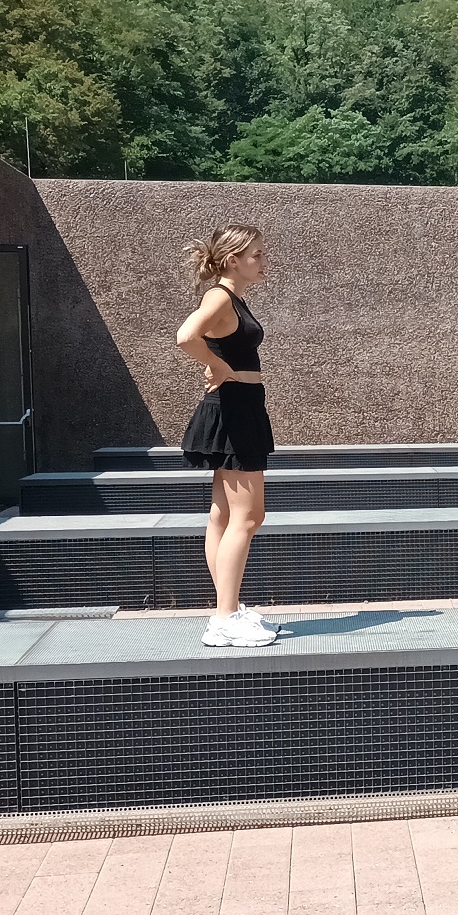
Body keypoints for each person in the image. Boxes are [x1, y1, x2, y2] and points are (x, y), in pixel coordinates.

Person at [176, 224, 279, 648]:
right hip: (234, 412)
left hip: (238, 409)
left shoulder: (231, 298)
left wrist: (217, 363)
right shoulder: (219, 296)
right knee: (249, 517)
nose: (264, 261)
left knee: (223, 515)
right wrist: (218, 366)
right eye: (257, 255)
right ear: (233, 260)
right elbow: (186, 336)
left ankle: (228, 608)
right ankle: (224, 618)